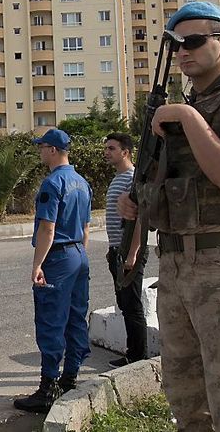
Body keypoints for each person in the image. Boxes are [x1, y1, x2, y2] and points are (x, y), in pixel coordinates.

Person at [118, 1, 220, 431]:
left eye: (193, 41)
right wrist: (135, 210)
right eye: (175, 45)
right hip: (174, 266)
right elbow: (157, 188)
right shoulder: (172, 111)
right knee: (187, 400)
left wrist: (188, 117)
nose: (183, 51)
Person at [14, 128, 92, 415]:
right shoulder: (82, 183)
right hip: (78, 254)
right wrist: (78, 255)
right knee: (75, 317)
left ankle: (48, 389)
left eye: (42, 147)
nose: (39, 151)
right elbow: (85, 228)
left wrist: (37, 265)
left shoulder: (52, 183)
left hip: (58, 257)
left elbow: (48, 228)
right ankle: (70, 378)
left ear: (54, 150)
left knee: (51, 320)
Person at [103, 132, 146, 368]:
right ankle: (133, 353)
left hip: (129, 250)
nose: (106, 153)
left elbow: (140, 218)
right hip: (118, 250)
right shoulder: (119, 178)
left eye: (112, 148)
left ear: (125, 152)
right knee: (125, 303)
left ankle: (138, 356)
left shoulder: (132, 178)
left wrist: (132, 253)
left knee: (132, 304)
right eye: (106, 148)